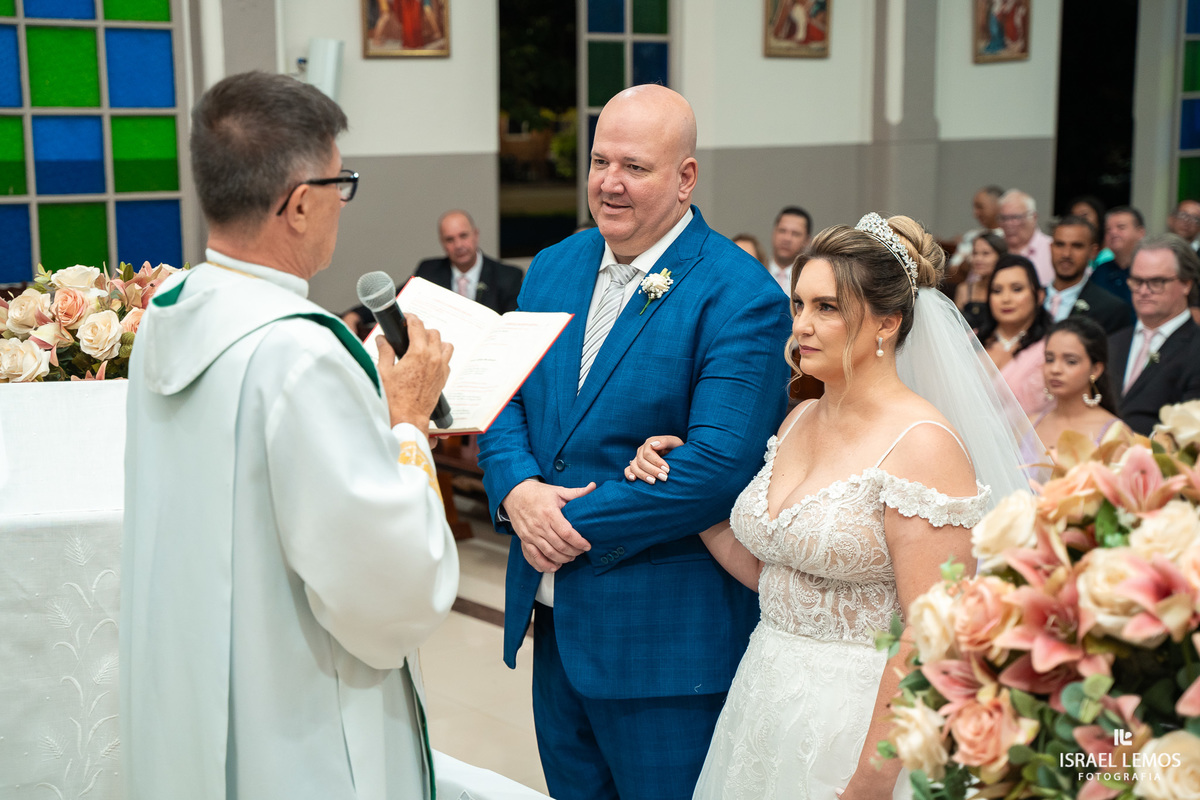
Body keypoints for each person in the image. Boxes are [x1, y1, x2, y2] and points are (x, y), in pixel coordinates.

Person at [121, 72, 459, 800]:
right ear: (299, 205)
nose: (343, 202)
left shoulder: (169, 316)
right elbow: (390, 590)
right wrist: (405, 422)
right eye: (342, 183)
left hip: (201, 688)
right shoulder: (300, 353)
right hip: (301, 727)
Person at [626, 213, 1030, 799]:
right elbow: (778, 574)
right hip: (765, 696)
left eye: (828, 308)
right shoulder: (798, 419)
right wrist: (685, 479)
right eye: (799, 305)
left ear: (887, 323)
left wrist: (871, 779)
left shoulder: (922, 445)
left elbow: (932, 632)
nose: (802, 327)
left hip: (861, 720)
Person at [476, 85, 792, 800]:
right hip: (556, 623)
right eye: (599, 161)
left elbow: (714, 468)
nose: (609, 184)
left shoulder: (739, 295)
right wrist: (519, 491)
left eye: (635, 168)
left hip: (664, 648)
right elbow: (502, 397)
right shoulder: (554, 265)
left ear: (685, 178)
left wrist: (556, 522)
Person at [341, 209, 524, 334]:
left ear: (475, 234)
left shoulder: (508, 276)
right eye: (450, 239)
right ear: (442, 243)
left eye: (463, 236)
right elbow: (396, 297)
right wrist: (355, 314)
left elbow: (510, 330)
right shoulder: (429, 270)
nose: (458, 245)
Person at [1110, 234, 1200, 435]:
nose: (1143, 290)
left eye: (1156, 282)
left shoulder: (1196, 348)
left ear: (1186, 284)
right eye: (1137, 281)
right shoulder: (1113, 342)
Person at [1025, 317, 1120, 469]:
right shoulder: (1028, 425)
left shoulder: (1115, 434)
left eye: (1070, 361)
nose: (1055, 369)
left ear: (1095, 370)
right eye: (1049, 359)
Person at [978, 254, 1054, 416]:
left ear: (1039, 296)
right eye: (997, 291)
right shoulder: (970, 340)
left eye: (1017, 289)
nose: (1006, 299)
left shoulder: (1049, 348)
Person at [1044, 215, 1132, 333]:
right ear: (1050, 248)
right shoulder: (1030, 299)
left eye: (1077, 246)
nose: (1066, 254)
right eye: (1060, 245)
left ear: (1093, 252)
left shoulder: (1112, 309)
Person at [1089, 206, 1147, 307]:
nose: (1113, 233)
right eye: (1108, 229)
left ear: (1140, 233)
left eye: (1121, 227)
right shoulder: (1100, 272)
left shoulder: (1151, 270)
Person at [997, 188, 1053, 287]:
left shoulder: (1052, 248)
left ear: (1034, 217)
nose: (1009, 224)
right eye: (1004, 218)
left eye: (1015, 218)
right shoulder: (994, 248)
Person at [954, 230, 1006, 332]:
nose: (978, 259)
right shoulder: (964, 289)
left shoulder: (1006, 292)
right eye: (975, 253)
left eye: (985, 253)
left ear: (1000, 257)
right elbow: (956, 329)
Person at [947, 185, 1003, 273]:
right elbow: (953, 270)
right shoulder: (970, 236)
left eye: (980, 207)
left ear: (998, 206)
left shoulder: (1008, 238)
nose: (975, 213)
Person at [767, 205, 813, 293]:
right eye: (782, 231)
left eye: (795, 234)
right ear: (774, 232)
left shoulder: (812, 279)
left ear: (807, 241)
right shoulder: (757, 271)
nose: (787, 239)